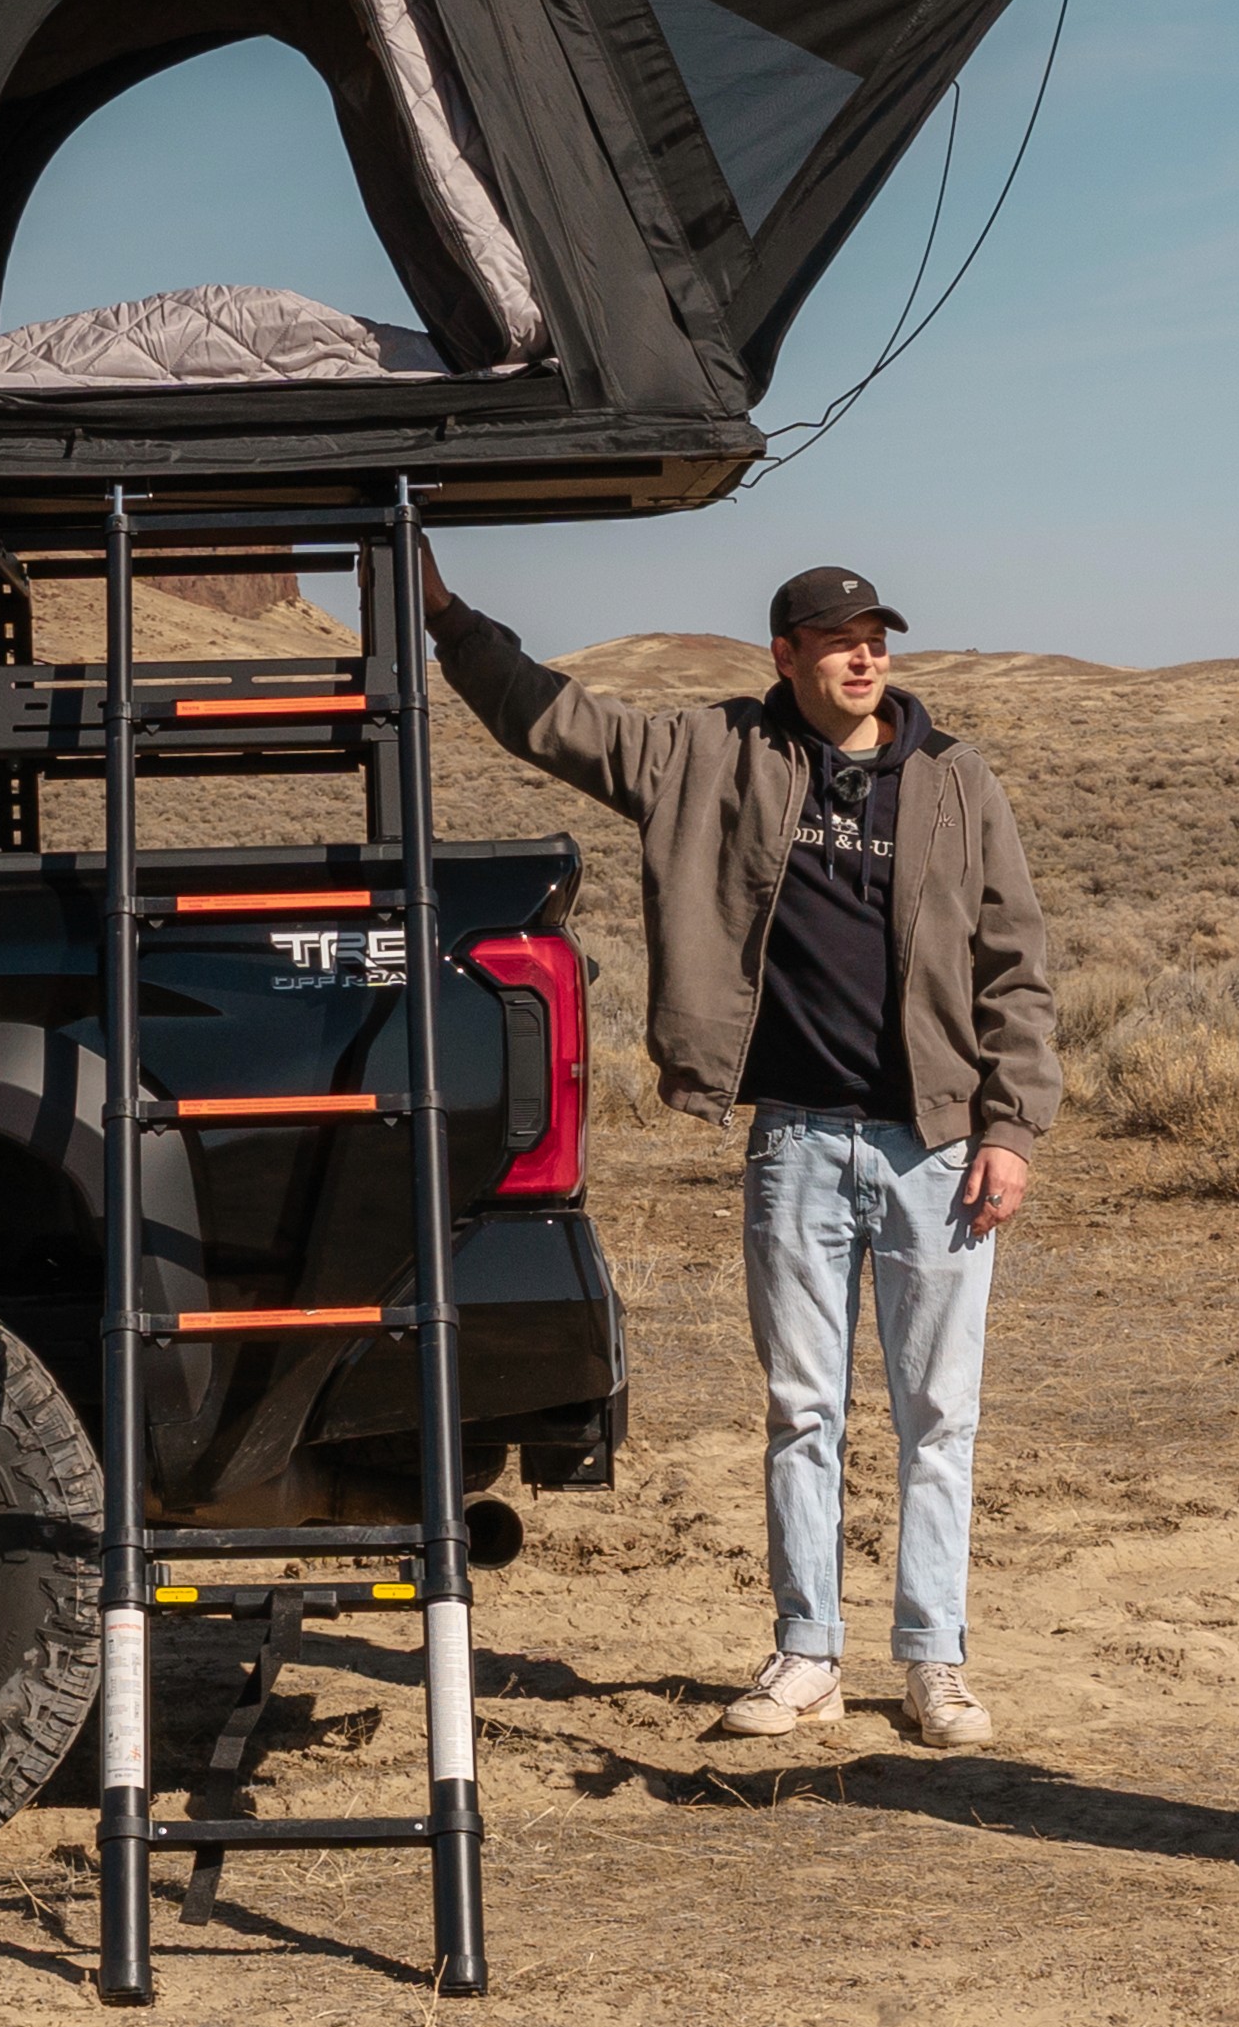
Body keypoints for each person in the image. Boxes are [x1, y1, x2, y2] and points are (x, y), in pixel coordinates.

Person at [422, 546, 1057, 1751]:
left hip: (934, 1147)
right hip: (795, 1145)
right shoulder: (710, 754)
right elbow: (553, 717)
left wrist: (1010, 1128)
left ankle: (935, 1659)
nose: (864, 656)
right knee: (803, 1410)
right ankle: (806, 1651)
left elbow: (1013, 963)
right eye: (837, 638)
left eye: (876, 636)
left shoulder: (956, 781)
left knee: (938, 1414)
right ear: (787, 654)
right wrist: (450, 617)